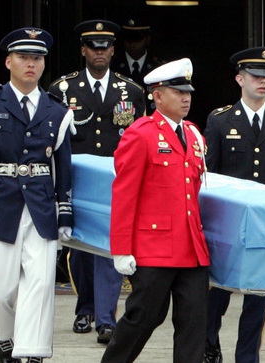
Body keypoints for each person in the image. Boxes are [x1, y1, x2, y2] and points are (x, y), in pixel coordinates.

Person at [0, 27, 74, 363]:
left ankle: (32, 353)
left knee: (39, 287)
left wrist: (65, 211)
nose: (31, 64)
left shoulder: (57, 110)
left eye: (38, 58)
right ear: (8, 61)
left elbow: (63, 165)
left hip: (41, 207)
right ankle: (3, 337)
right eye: (24, 57)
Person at [101, 57, 210, 363]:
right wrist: (121, 248)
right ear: (157, 95)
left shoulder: (193, 133)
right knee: (143, 318)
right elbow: (124, 194)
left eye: (188, 91)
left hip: (191, 247)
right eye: (178, 92)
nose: (186, 97)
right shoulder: (141, 133)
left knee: (193, 324)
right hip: (155, 247)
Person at [48, 19, 145, 345]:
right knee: (80, 251)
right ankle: (84, 309)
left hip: (118, 182)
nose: (99, 52)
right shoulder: (62, 90)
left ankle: (105, 319)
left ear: (113, 50)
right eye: (93, 47)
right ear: (84, 51)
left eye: (105, 47)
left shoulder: (131, 91)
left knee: (107, 248)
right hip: (77, 182)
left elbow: (140, 139)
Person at [203, 46, 265, 363]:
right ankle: (208, 345)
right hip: (229, 223)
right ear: (239, 79)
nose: (263, 82)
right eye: (256, 77)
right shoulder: (219, 121)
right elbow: (209, 178)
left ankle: (247, 357)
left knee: (258, 297)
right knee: (217, 292)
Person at [112, 17, 165, 114]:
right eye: (128, 39)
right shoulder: (113, 66)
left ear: (147, 39)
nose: (132, 44)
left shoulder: (159, 68)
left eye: (137, 39)